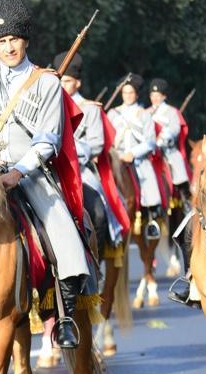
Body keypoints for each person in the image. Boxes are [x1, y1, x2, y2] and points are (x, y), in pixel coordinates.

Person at [0, 0, 92, 349]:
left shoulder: (47, 84)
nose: (8, 47)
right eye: (0, 42)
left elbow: (49, 139)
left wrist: (18, 172)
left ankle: (63, 316)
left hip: (29, 174)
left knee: (63, 235)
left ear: (26, 40)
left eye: (13, 39)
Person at [52, 52, 125, 248]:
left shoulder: (90, 109)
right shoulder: (48, 106)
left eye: (67, 81)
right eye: (59, 81)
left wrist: (71, 151)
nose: (62, 85)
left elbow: (96, 144)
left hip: (81, 169)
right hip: (49, 166)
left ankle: (96, 262)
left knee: (99, 213)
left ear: (78, 83)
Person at [107, 74, 162, 240]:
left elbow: (151, 142)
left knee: (149, 187)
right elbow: (108, 138)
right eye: (125, 92)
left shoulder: (144, 114)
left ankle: (151, 220)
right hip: (116, 158)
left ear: (137, 94)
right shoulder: (112, 113)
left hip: (137, 159)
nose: (128, 96)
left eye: (131, 93)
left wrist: (133, 154)